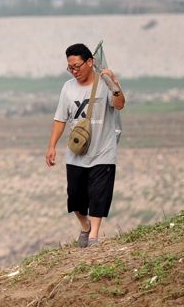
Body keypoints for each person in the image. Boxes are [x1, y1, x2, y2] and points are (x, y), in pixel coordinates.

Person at [46, 42, 126, 247]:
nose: (74, 71)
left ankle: (93, 237)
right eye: (70, 67)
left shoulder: (104, 82)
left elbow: (119, 105)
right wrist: (52, 146)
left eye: (77, 66)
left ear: (90, 62)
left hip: (103, 151)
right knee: (75, 198)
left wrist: (114, 85)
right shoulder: (67, 87)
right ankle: (85, 226)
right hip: (77, 152)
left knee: (99, 195)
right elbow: (60, 119)